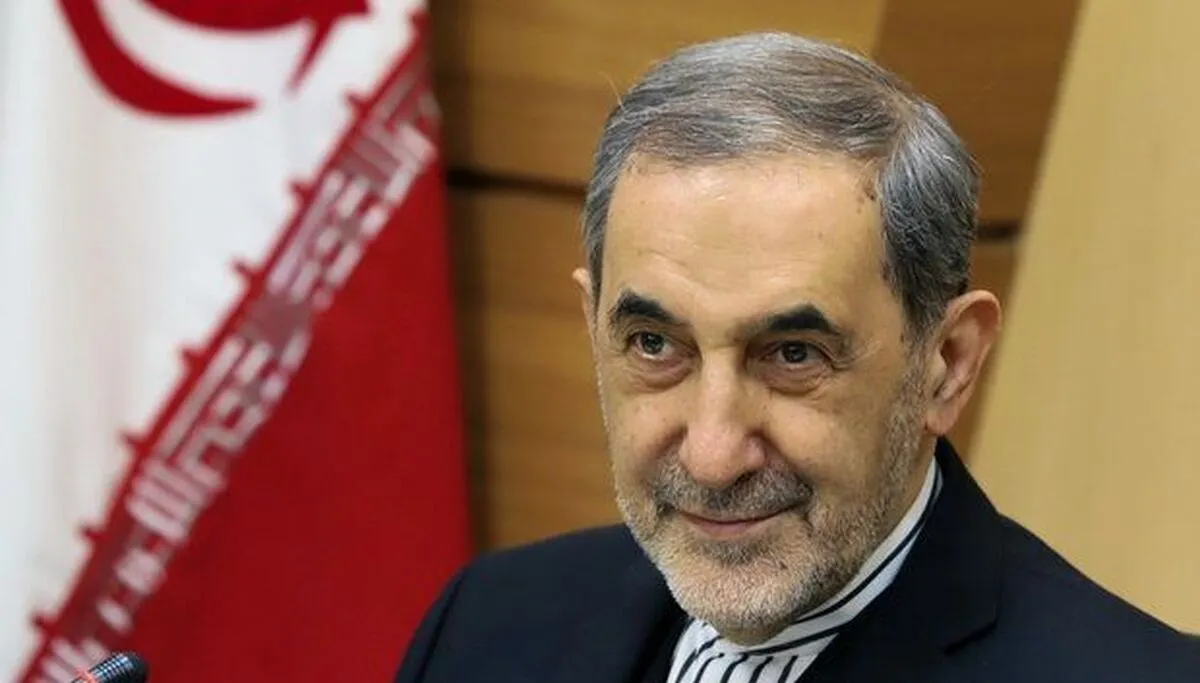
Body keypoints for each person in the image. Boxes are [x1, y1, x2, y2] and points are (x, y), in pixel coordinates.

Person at [393, 32, 1200, 683]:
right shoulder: (487, 624)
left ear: (947, 362)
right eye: (655, 345)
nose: (712, 456)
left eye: (791, 354)